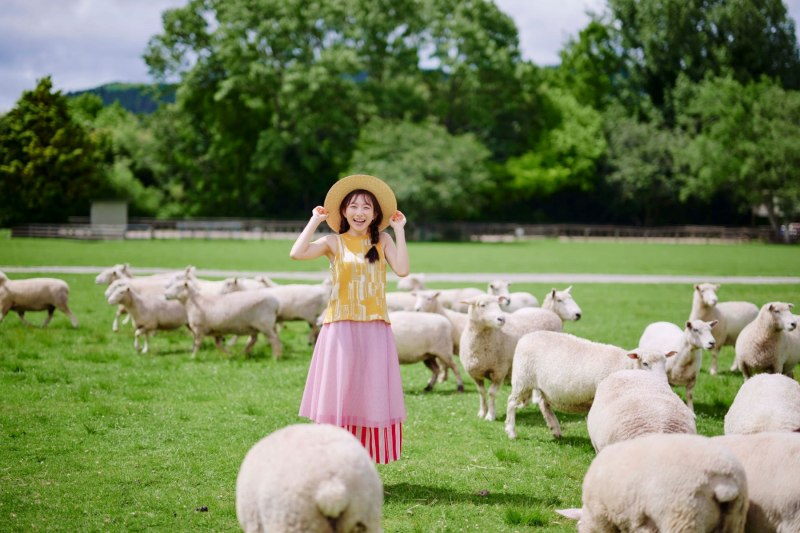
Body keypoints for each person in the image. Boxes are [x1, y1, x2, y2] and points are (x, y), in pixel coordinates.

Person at [289, 174, 409, 464]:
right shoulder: (333, 242)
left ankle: (363, 461)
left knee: (371, 392)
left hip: (375, 328)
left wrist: (400, 230)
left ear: (375, 214)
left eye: (367, 207)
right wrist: (314, 221)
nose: (359, 212)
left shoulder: (382, 240)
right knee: (340, 392)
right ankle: (334, 459)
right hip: (340, 327)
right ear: (344, 211)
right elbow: (297, 253)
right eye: (354, 206)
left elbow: (402, 270)